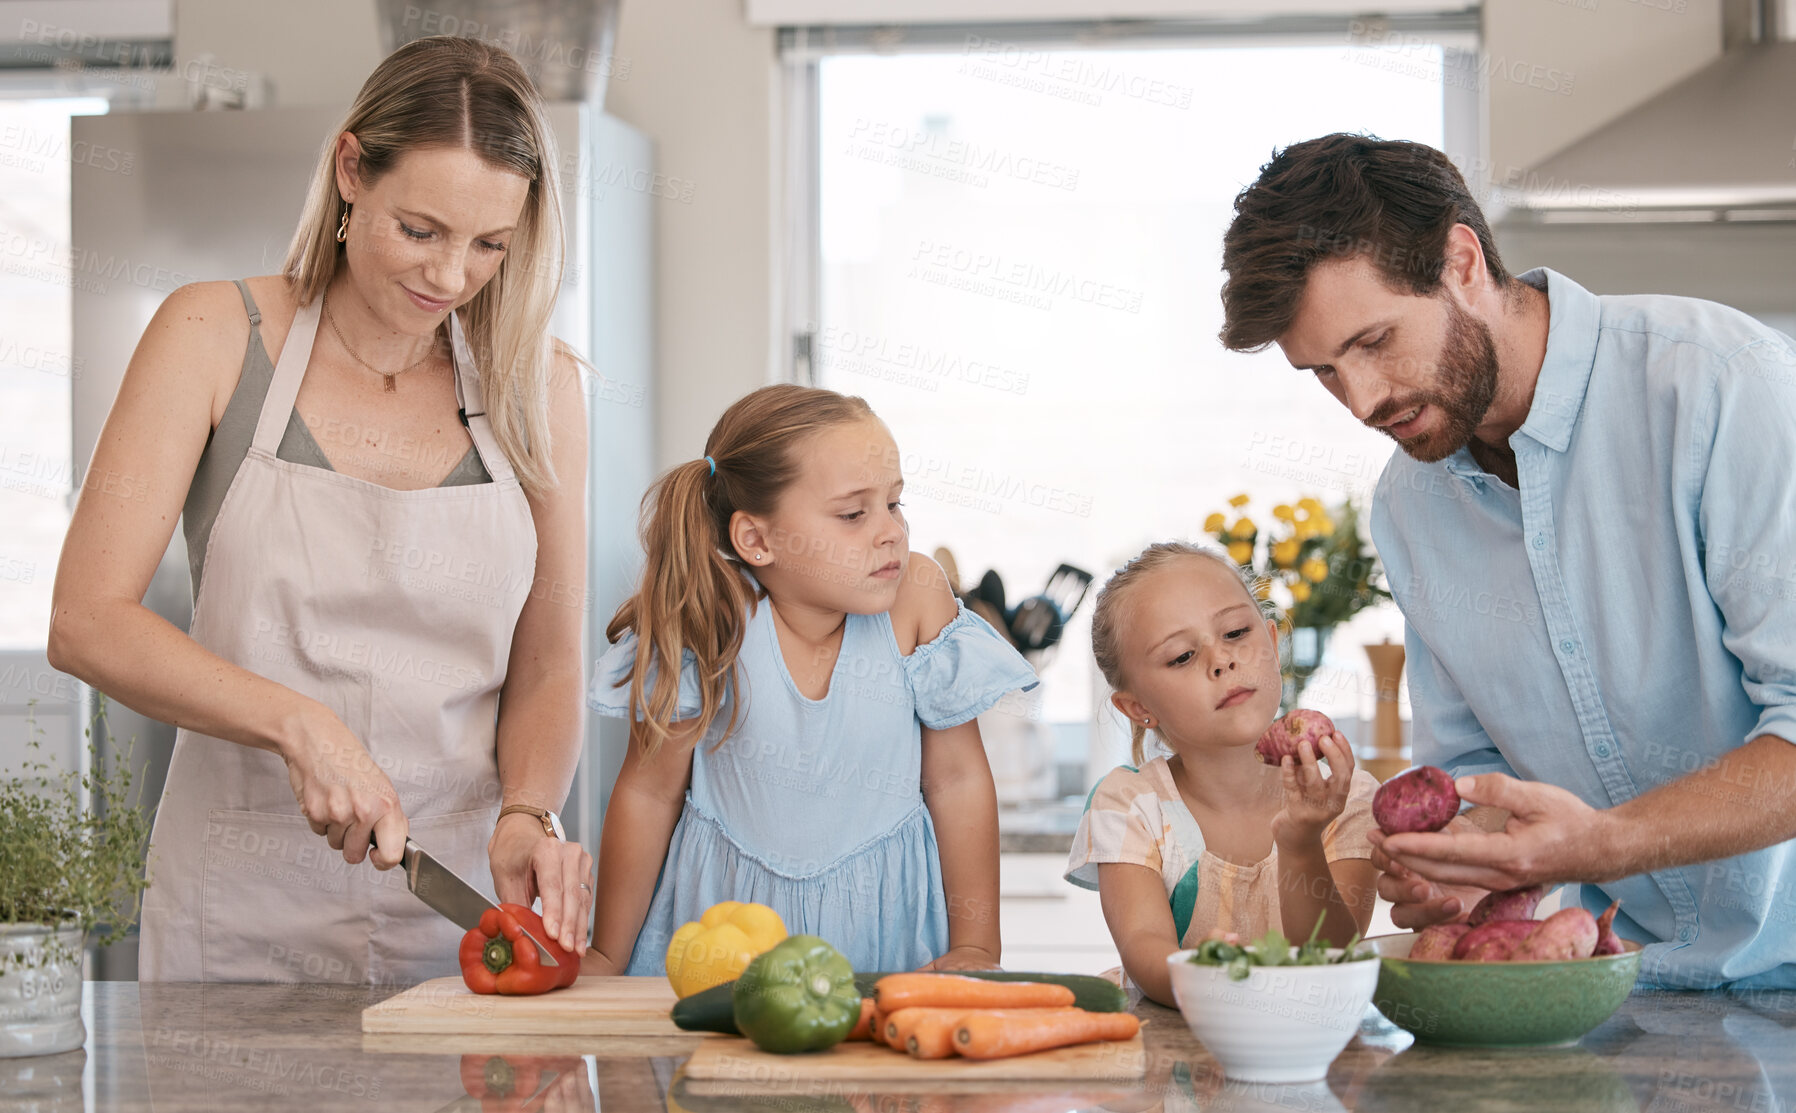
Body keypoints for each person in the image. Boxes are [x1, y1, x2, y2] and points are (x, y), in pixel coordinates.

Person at [48, 36, 595, 983]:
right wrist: (302, 723)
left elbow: (547, 659)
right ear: (352, 169)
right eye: (421, 230)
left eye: (490, 245)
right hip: (240, 922)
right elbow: (86, 620)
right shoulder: (212, 335)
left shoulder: (537, 386)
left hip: (460, 924)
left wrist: (531, 810)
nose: (452, 276)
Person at [1219, 132, 1796, 988]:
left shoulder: (1718, 387)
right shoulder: (1411, 506)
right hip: (1618, 992)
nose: (1364, 400)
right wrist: (1458, 865)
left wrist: (1604, 840)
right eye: (1326, 373)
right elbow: (1472, 779)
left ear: (1460, 260)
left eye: (1376, 340)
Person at [581, 384, 1038, 975]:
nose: (890, 531)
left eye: (895, 504)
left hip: (886, 944)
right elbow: (648, 794)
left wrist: (978, 947)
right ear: (757, 539)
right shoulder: (710, 616)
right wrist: (606, 956)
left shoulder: (917, 600)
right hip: (722, 946)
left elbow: (958, 782)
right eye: (853, 514)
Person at [1066, 542, 1379, 1008]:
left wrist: (1301, 841)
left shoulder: (1345, 797)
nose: (1221, 660)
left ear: (1273, 644)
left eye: (1235, 632)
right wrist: (1215, 981)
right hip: (1175, 1051)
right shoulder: (1131, 806)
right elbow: (1145, 950)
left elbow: (1330, 957)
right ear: (1139, 709)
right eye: (1182, 657)